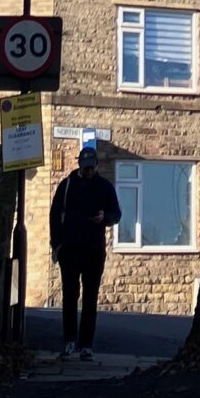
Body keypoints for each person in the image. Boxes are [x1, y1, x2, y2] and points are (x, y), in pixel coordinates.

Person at [49, 143, 122, 359]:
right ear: (80, 165)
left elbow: (116, 214)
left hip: (94, 250)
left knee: (90, 298)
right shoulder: (67, 185)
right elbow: (55, 215)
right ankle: (69, 341)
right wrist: (57, 245)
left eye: (91, 167)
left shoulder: (105, 187)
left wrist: (104, 218)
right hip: (70, 250)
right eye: (85, 167)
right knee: (70, 296)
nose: (88, 171)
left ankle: (86, 345)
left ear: (96, 166)